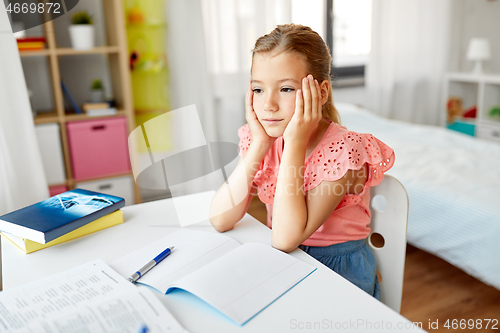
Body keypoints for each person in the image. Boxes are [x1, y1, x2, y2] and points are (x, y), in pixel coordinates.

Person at [209, 24, 394, 300]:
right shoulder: (264, 139)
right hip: (287, 262)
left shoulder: (343, 150)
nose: (268, 104)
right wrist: (259, 145)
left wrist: (295, 142)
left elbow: (285, 239)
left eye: (285, 89)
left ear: (320, 93)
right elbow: (220, 219)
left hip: (337, 275)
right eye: (258, 90)